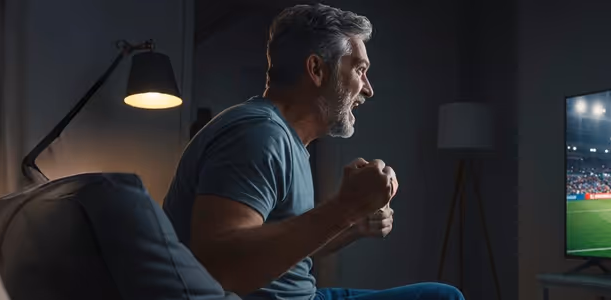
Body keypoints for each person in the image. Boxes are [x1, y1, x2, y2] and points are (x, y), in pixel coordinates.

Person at [161, 4, 463, 300]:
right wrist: (347, 207)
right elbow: (220, 268)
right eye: (359, 69)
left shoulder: (285, 138)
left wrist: (352, 224)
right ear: (317, 69)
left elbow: (280, 247)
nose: (368, 89)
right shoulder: (259, 135)